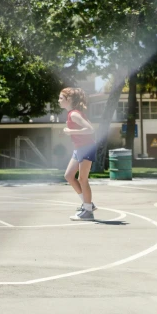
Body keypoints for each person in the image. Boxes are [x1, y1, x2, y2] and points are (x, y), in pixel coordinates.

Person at [59, 87, 97, 221]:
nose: (58, 100)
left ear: (68, 100)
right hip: (79, 148)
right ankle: (88, 204)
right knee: (69, 176)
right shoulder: (72, 114)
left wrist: (71, 132)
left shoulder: (74, 114)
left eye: (61, 98)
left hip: (86, 148)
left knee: (82, 179)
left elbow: (90, 129)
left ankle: (88, 212)